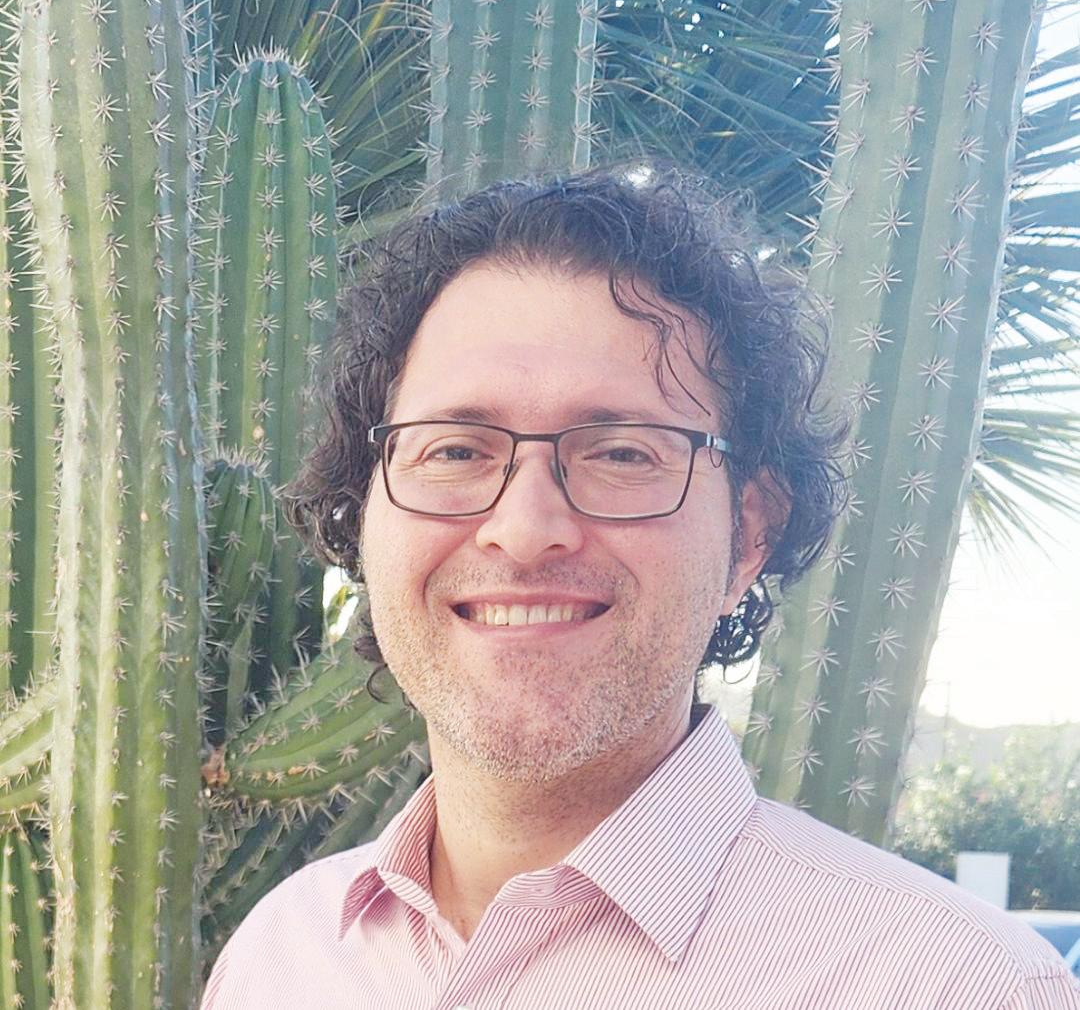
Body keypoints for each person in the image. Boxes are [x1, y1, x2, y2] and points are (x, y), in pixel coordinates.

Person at [200, 164, 1080, 1009]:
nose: (524, 529)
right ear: (366, 511)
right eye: (455, 450)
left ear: (748, 537)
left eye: (623, 454)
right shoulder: (281, 957)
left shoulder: (959, 988)